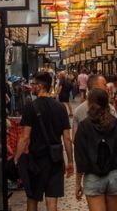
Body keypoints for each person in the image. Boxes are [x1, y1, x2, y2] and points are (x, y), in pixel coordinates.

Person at [14, 72, 74, 211]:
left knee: (33, 198)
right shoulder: (60, 107)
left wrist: (16, 158)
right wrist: (70, 161)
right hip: (55, 160)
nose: (31, 86)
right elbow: (66, 137)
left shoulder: (31, 107)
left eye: (34, 84)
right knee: (52, 201)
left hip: (36, 160)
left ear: (41, 86)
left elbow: (25, 137)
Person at [74, 88, 117, 211]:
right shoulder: (116, 124)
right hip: (115, 176)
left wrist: (78, 183)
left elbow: (80, 158)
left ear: (89, 103)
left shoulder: (84, 126)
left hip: (93, 177)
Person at [73, 74, 116, 138]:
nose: (107, 87)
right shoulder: (110, 109)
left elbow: (75, 139)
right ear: (95, 87)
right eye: (104, 85)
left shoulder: (78, 111)